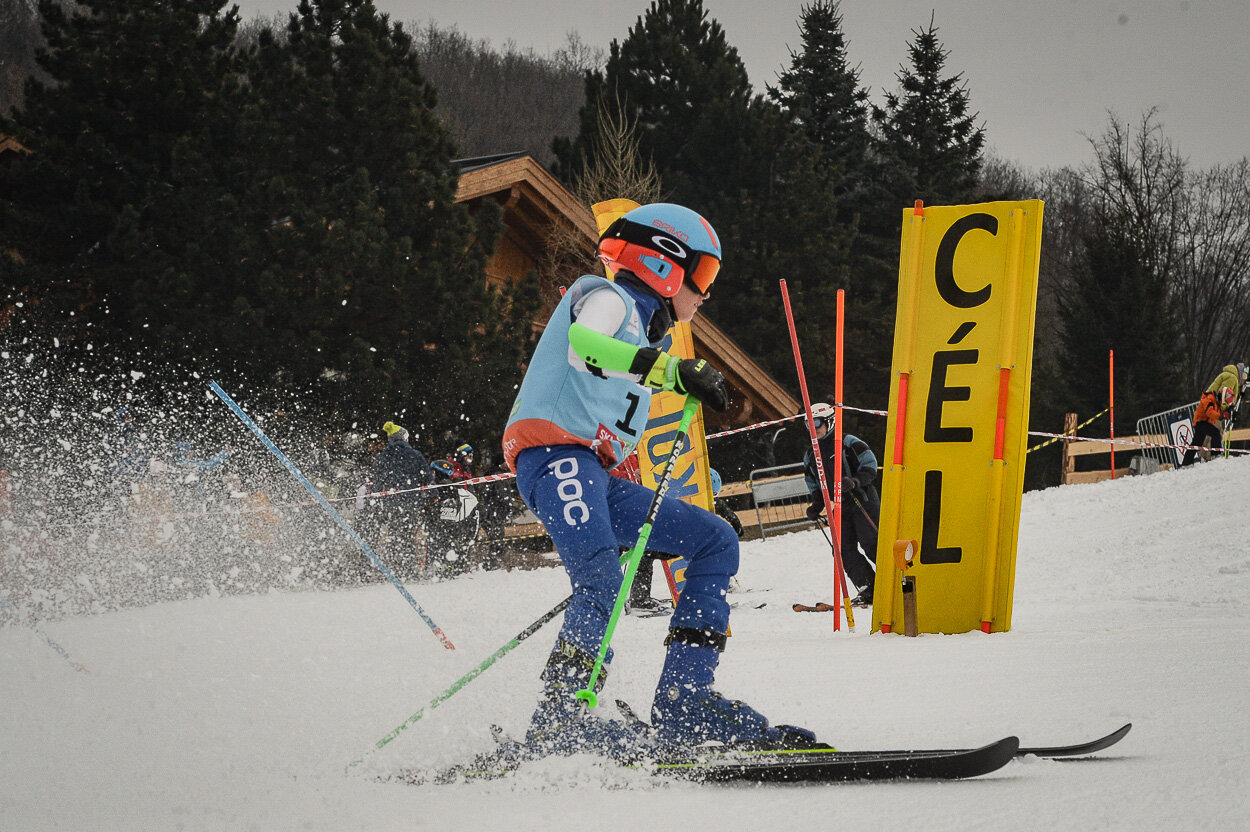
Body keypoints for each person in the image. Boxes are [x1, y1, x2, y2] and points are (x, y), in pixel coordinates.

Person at [502, 202, 813, 760]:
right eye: (706, 275)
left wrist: (670, 374)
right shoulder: (604, 297)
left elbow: (612, 424)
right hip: (553, 457)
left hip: (593, 473)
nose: (706, 293)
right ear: (665, 261)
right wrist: (671, 371)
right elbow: (585, 350)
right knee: (599, 578)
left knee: (714, 538)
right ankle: (559, 718)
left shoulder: (650, 341)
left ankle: (685, 702)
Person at [802, 402, 880, 607]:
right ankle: (869, 588)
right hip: (839, 506)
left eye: (817, 423)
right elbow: (814, 482)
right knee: (842, 549)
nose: (814, 428)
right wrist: (816, 505)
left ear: (829, 422)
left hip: (861, 499)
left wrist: (855, 481)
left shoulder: (848, 443)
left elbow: (870, 466)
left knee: (871, 542)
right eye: (809, 424)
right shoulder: (811, 454)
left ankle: (896, 578)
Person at [371, 421, 431, 571]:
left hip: (392, 503)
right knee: (409, 534)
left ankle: (396, 566)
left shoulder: (384, 456)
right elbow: (427, 477)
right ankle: (408, 567)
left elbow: (378, 480)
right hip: (412, 502)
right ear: (404, 437)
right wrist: (432, 494)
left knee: (395, 533)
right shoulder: (415, 455)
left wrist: (376, 498)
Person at [1182, 362, 1248, 466]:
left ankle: (1188, 462)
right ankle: (1212, 457)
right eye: (1244, 376)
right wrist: (1225, 412)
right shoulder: (1231, 377)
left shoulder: (1230, 376)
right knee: (1215, 434)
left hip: (1209, 414)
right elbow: (1225, 395)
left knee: (1199, 440)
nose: (1244, 379)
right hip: (1209, 414)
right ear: (1240, 373)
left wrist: (1237, 397)